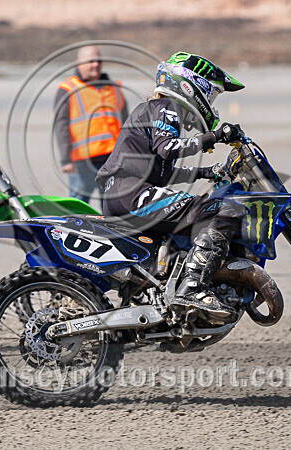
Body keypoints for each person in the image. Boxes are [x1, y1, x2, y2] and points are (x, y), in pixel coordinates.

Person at [96, 51, 246, 324]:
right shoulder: (167, 108)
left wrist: (207, 171)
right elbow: (168, 150)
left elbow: (164, 169)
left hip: (125, 194)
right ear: (191, 85)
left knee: (194, 212)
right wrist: (214, 136)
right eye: (211, 95)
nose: (211, 103)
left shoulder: (155, 111)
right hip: (133, 196)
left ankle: (166, 285)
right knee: (225, 211)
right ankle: (192, 288)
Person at [54, 45, 128, 206]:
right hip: (82, 163)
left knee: (111, 208)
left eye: (98, 60)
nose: (96, 64)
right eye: (91, 61)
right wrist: (66, 159)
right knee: (78, 207)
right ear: (79, 63)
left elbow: (127, 124)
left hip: (111, 161)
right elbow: (61, 126)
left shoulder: (114, 88)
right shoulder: (68, 89)